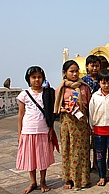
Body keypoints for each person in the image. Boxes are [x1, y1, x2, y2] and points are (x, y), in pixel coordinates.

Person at [16, 66, 56, 194]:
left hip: (43, 129)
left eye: (39, 77)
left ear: (43, 78)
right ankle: (33, 181)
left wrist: (51, 129)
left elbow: (51, 114)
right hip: (28, 130)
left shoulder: (47, 93)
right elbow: (20, 115)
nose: (37, 80)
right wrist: (19, 132)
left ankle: (43, 181)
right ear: (29, 79)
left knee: (42, 157)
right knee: (31, 158)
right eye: (34, 77)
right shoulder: (24, 94)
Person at [54, 60, 92, 190]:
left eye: (76, 71)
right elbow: (56, 106)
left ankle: (83, 179)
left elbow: (89, 105)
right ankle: (69, 179)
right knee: (68, 149)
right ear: (65, 73)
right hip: (67, 122)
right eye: (71, 71)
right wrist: (64, 109)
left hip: (81, 122)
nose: (75, 74)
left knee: (82, 150)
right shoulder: (61, 88)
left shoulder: (84, 87)